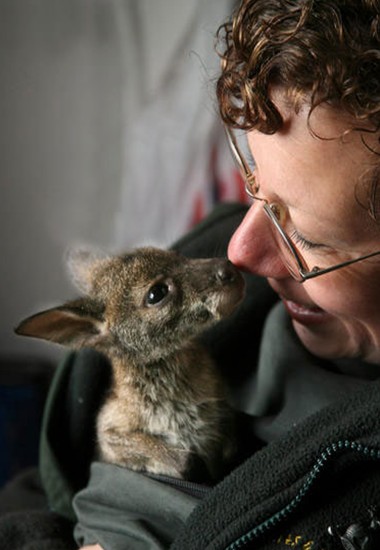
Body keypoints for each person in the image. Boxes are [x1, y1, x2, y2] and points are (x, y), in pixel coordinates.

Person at [2, 0, 380, 548]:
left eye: (309, 237)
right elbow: (43, 489)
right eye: (254, 185)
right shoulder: (219, 270)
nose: (240, 253)